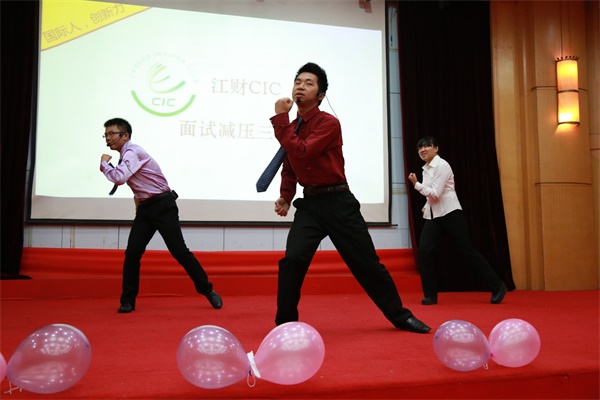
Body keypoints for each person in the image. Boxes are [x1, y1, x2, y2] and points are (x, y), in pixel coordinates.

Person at [267, 62, 430, 333]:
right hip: (310, 204)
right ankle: (284, 324)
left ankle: (400, 316)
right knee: (292, 259)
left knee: (366, 264)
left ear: (321, 95)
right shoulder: (291, 127)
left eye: (309, 83)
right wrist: (286, 196)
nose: (300, 87)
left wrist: (280, 119)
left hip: (339, 202)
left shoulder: (328, 123)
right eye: (298, 82)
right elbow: (290, 164)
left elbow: (303, 151)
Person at [100, 117, 222, 313]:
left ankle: (207, 290)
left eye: (111, 134)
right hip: (145, 209)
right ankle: (128, 301)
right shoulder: (126, 155)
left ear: (125, 135)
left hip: (163, 206)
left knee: (179, 251)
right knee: (133, 253)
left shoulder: (132, 152)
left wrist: (104, 164)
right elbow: (139, 181)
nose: (107, 138)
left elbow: (119, 178)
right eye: (105, 135)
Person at [408, 136, 508, 305]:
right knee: (424, 251)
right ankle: (430, 295)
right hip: (434, 215)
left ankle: (498, 286)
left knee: (467, 250)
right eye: (419, 148)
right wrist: (426, 206)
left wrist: (416, 184)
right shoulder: (425, 169)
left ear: (436, 148)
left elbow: (436, 193)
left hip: (450, 212)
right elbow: (431, 195)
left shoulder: (442, 165)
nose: (422, 150)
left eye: (426, 146)